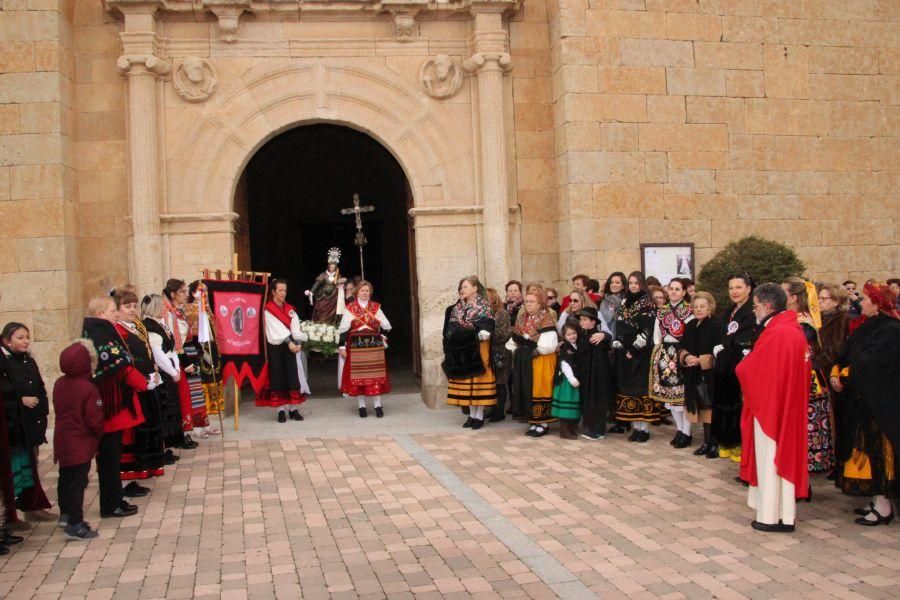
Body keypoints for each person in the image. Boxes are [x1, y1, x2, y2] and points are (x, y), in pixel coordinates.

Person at [737, 283, 810, 533]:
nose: (754, 310)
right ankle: (782, 513)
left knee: (771, 459)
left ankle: (770, 515)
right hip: (783, 404)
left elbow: (751, 369)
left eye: (755, 305)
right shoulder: (790, 329)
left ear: (768, 306)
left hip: (772, 408)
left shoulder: (777, 333)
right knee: (777, 458)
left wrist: (743, 364)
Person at [83, 296, 158, 519]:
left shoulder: (102, 331)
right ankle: (110, 504)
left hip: (115, 404)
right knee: (109, 458)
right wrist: (144, 383)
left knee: (112, 457)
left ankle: (115, 499)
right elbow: (119, 367)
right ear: (99, 314)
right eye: (112, 310)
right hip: (111, 406)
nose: (115, 314)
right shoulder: (100, 334)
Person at [831, 282, 900, 526]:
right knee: (867, 451)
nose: (861, 302)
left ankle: (884, 505)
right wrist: (836, 371)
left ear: (879, 304)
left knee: (880, 453)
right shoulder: (866, 326)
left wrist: (844, 376)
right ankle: (876, 499)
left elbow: (871, 364)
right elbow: (847, 353)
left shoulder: (891, 329)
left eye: (867, 299)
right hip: (862, 402)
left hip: (881, 406)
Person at [0, 323, 55, 525]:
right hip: (16, 425)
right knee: (16, 471)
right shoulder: (6, 364)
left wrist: (42, 412)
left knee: (32, 465)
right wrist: (19, 399)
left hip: (32, 423)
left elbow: (39, 387)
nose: (25, 341)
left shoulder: (28, 362)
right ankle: (11, 513)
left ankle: (33, 507)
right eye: (20, 338)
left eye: (27, 337)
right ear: (7, 340)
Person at [113, 288, 164, 495]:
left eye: (134, 306)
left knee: (147, 428)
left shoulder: (136, 326)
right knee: (131, 435)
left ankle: (143, 470)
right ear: (116, 309)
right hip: (131, 387)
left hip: (146, 383)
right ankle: (126, 479)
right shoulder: (118, 330)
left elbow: (146, 351)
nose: (132, 310)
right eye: (127, 306)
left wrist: (154, 370)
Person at [53, 340, 104, 540]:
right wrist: (98, 434)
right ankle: (75, 522)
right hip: (80, 441)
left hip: (63, 437)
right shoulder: (88, 388)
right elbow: (94, 418)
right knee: (77, 481)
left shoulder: (59, 383)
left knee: (65, 478)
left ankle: (65, 514)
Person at [782, 277, 834, 476]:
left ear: (794, 297)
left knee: (807, 427)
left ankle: (804, 475)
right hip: (796, 375)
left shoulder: (803, 322)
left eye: (783, 292)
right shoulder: (790, 317)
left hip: (807, 379)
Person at [711, 274, 756, 462]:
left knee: (739, 408)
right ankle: (728, 444)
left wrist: (727, 348)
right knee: (725, 405)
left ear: (749, 289)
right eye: (731, 288)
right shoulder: (729, 311)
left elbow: (745, 340)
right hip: (724, 368)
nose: (734, 292)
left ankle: (742, 448)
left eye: (738, 287)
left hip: (739, 366)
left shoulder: (751, 312)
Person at [443, 276, 496, 429]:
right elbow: (451, 326)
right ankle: (471, 415)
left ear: (475, 288)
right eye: (461, 287)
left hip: (479, 348)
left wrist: (472, 329)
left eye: (465, 286)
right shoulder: (458, 307)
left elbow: (488, 325)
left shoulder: (483, 306)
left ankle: (479, 416)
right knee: (467, 382)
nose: (462, 289)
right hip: (462, 349)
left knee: (478, 382)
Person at [506, 284, 558, 436]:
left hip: (541, 358)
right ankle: (533, 420)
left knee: (540, 388)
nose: (528, 304)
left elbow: (549, 342)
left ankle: (543, 422)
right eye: (526, 301)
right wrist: (518, 346)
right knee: (527, 388)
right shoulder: (522, 318)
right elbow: (514, 339)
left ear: (540, 303)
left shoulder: (546, 317)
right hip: (525, 358)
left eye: (531, 301)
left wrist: (533, 349)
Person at [612, 272, 658, 441]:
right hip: (624, 351)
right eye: (630, 283)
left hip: (641, 351)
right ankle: (635, 428)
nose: (633, 286)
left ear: (642, 284)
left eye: (636, 283)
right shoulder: (624, 301)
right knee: (628, 389)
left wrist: (634, 348)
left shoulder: (647, 303)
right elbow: (619, 324)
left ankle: (644, 429)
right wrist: (620, 343)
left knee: (640, 389)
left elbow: (648, 328)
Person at [649, 279, 694, 448]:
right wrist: (658, 350)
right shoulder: (662, 311)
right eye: (672, 289)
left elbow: (691, 333)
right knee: (670, 396)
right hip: (665, 353)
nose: (674, 292)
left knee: (682, 396)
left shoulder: (688, 311)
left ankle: (687, 432)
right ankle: (680, 429)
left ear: (684, 292)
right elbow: (656, 333)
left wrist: (686, 353)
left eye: (678, 289)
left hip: (681, 352)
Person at [257, 279, 310, 422]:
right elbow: (275, 330)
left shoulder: (290, 309)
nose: (283, 293)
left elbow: (296, 328)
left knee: (292, 376)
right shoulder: (268, 309)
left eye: (285, 290)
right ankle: (281, 410)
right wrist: (289, 342)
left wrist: (298, 342)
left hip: (290, 348)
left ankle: (293, 410)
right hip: (276, 348)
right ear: (273, 292)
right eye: (280, 290)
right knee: (278, 377)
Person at [141, 294, 184, 465]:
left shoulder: (161, 324)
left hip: (171, 369)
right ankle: (162, 447)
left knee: (170, 409)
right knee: (163, 410)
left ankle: (167, 445)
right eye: (162, 306)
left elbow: (172, 349)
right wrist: (172, 371)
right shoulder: (150, 327)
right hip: (163, 373)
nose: (165, 309)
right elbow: (158, 355)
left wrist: (176, 367)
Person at [339, 281, 392, 417]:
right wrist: (342, 346)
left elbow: (386, 326)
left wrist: (383, 338)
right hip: (357, 346)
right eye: (362, 290)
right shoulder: (350, 308)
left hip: (374, 346)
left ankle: (378, 406)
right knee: (359, 377)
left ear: (370, 293)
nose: (365, 293)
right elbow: (343, 329)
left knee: (375, 376)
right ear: (357, 292)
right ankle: (361, 407)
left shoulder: (375, 307)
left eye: (367, 291)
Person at [816, 283, 852, 477]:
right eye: (819, 298)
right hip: (819, 374)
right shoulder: (819, 319)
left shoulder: (842, 321)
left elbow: (836, 350)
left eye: (824, 299)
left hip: (830, 373)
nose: (820, 302)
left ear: (836, 301)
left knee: (836, 419)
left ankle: (839, 463)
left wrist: (816, 364)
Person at [679, 292, 720, 455]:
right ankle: (706, 442)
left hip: (710, 374)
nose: (698, 309)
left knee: (710, 409)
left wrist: (700, 361)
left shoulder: (717, 325)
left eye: (702, 306)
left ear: (710, 307)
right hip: (693, 374)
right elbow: (682, 346)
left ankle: (714, 444)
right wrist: (687, 357)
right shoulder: (690, 325)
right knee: (702, 410)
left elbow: (718, 350)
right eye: (695, 307)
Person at [162, 279, 199, 449]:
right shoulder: (168, 314)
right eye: (182, 292)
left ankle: (184, 432)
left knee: (185, 396)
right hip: (175, 358)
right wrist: (184, 363)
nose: (185, 294)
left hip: (183, 356)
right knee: (181, 396)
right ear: (172, 294)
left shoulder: (179, 311)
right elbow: (175, 341)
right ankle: (181, 433)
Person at [185, 281, 223, 437]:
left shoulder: (206, 308)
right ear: (193, 293)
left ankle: (206, 423)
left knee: (212, 380)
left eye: (206, 291)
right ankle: (198, 425)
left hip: (211, 349)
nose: (205, 294)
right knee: (200, 389)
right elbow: (192, 333)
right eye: (202, 291)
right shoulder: (190, 309)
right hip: (200, 351)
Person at [576, 306, 613, 441]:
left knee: (597, 400)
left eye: (585, 319)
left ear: (593, 322)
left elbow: (599, 361)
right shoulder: (585, 336)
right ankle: (591, 427)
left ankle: (598, 430)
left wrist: (605, 336)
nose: (582, 322)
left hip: (596, 376)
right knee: (589, 400)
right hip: (587, 375)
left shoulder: (596, 338)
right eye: (581, 319)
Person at [485, 288, 511, 422]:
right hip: (488, 351)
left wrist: (486, 334)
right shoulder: (484, 312)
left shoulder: (501, 313)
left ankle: (500, 411)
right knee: (492, 383)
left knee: (500, 383)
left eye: (487, 297)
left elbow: (502, 334)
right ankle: (492, 409)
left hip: (500, 352)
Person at [551, 322, 581, 439]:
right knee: (566, 407)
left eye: (574, 333)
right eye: (569, 334)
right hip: (567, 381)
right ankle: (564, 430)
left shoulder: (576, 345)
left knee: (574, 405)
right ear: (564, 336)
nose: (572, 336)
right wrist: (572, 379)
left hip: (575, 380)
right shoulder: (565, 347)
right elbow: (565, 365)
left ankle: (572, 428)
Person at [306, 248, 347, 324]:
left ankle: (332, 324)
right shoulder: (323, 275)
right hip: (323, 295)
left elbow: (342, 283)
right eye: (331, 267)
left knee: (334, 312)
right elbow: (317, 284)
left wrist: (341, 283)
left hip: (334, 296)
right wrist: (311, 291)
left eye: (334, 267)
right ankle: (320, 323)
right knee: (321, 308)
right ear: (328, 267)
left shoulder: (338, 275)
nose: (332, 268)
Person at [599, 272, 626, 338]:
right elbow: (601, 321)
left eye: (617, 282)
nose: (614, 285)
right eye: (612, 282)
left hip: (621, 336)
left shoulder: (626, 301)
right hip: (605, 336)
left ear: (623, 286)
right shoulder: (604, 301)